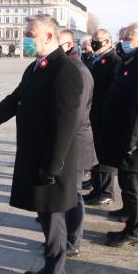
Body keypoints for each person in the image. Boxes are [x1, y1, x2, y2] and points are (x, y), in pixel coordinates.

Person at [0, 14, 82, 274]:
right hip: (36, 157)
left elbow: (65, 125)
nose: (25, 38)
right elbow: (15, 99)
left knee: (54, 222)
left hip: (52, 162)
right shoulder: (37, 66)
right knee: (47, 218)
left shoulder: (66, 70)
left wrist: (52, 167)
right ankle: (50, 269)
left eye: (30, 34)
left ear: (49, 36)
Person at [97, 22, 138, 247]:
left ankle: (134, 230)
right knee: (127, 183)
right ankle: (129, 218)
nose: (123, 42)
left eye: (128, 38)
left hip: (133, 139)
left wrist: (131, 141)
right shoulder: (133, 61)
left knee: (132, 185)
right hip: (125, 136)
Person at [58, 28, 97, 257]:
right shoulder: (67, 66)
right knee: (69, 192)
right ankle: (66, 235)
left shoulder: (78, 71)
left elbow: (75, 114)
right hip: (70, 142)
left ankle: (74, 240)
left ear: (68, 44)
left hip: (76, 142)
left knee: (74, 193)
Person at [84, 29, 121, 206]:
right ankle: (97, 188)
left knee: (104, 156)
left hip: (103, 115)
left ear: (108, 42)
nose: (94, 42)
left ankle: (106, 191)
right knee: (95, 153)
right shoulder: (96, 58)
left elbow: (112, 91)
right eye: (93, 39)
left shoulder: (114, 60)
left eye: (97, 40)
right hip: (93, 114)